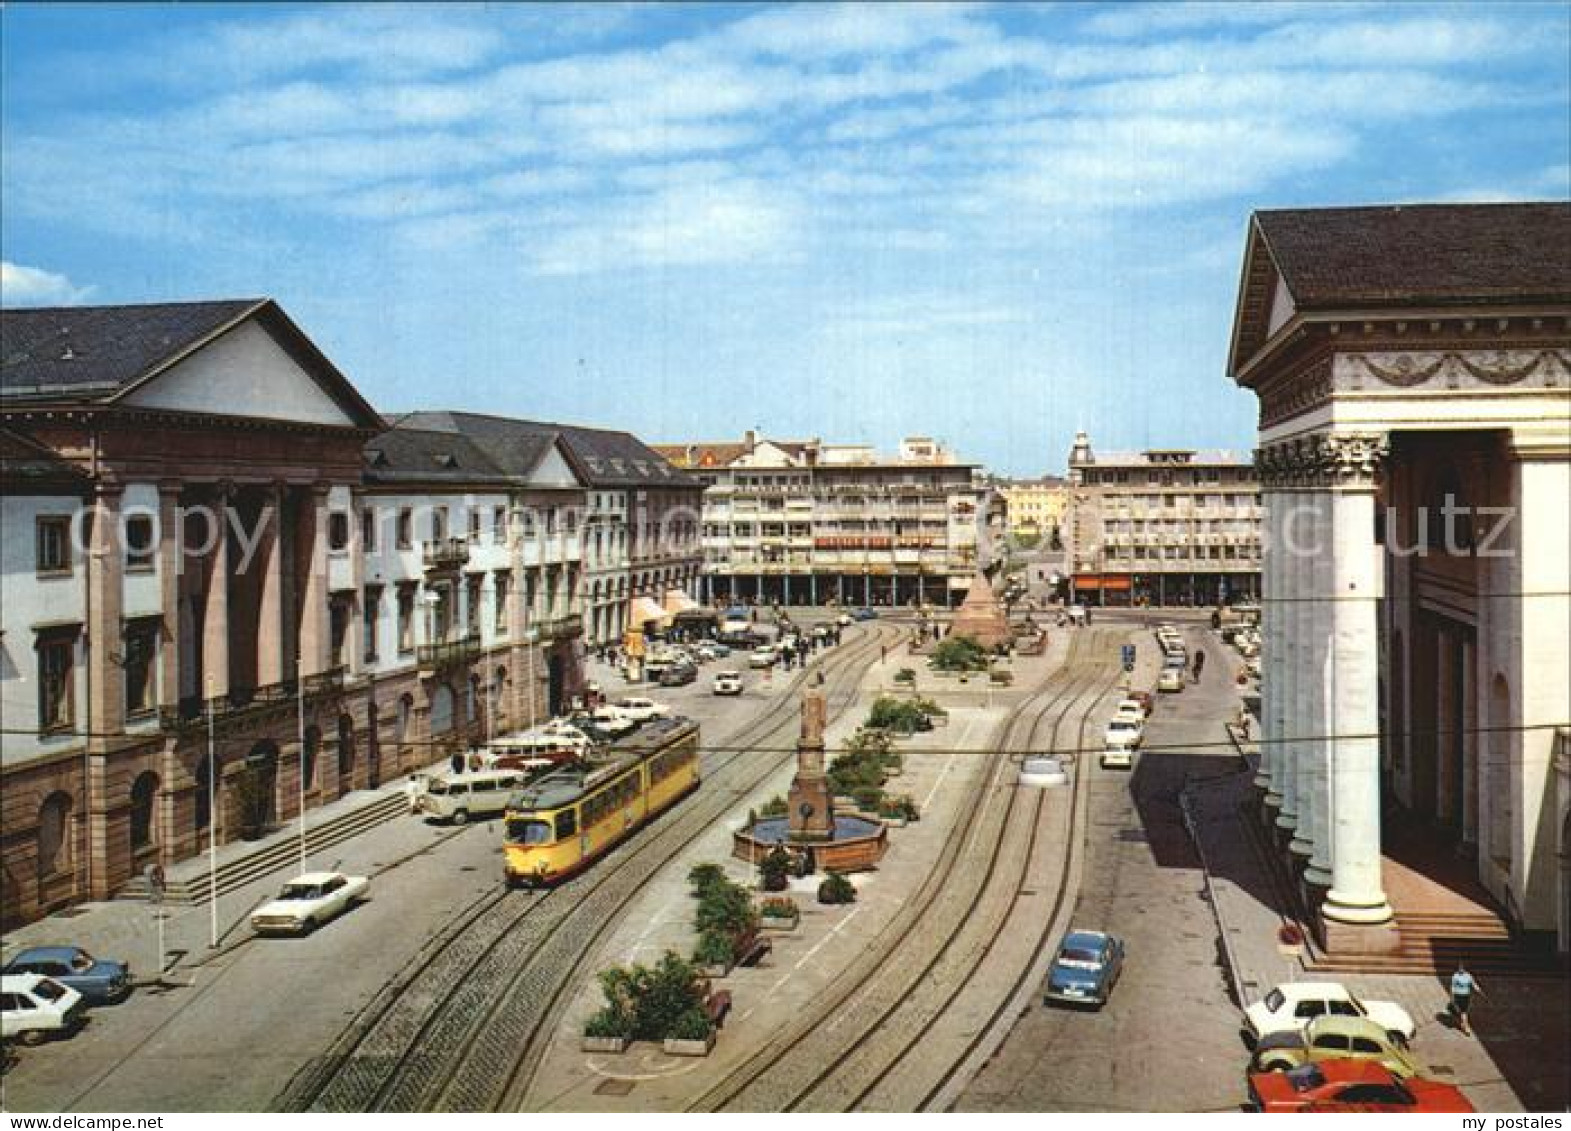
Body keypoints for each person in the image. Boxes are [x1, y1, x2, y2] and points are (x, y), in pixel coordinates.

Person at [1450, 964, 1480, 1034]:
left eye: (1462, 968)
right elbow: (1452, 987)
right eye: (1460, 968)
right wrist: (1452, 996)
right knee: (1463, 1012)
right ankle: (1465, 1026)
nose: (1461, 969)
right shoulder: (1455, 976)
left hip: (1466, 996)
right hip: (1458, 995)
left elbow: (1473, 983)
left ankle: (1463, 1024)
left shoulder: (1468, 976)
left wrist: (1477, 989)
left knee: (1463, 1011)